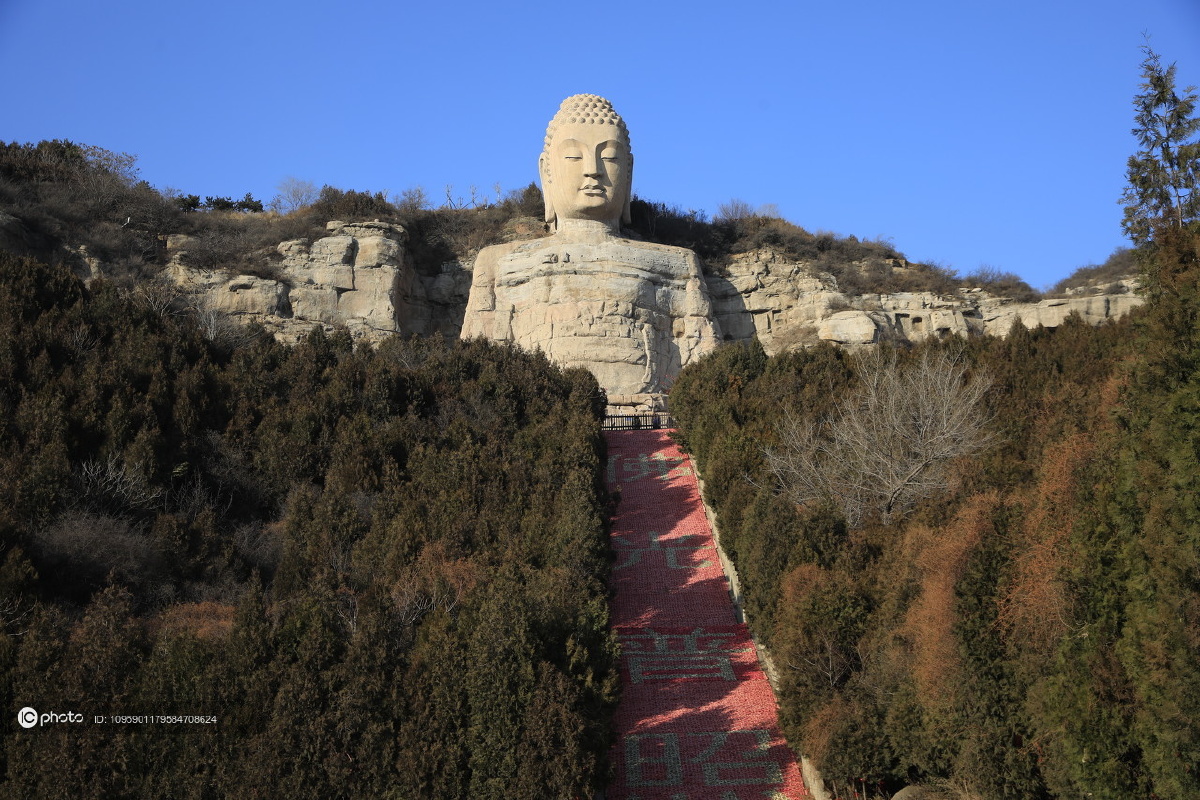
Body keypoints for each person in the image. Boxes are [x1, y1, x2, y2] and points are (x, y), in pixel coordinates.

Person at [462, 95, 720, 406]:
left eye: (609, 157)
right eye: (573, 157)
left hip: (656, 422)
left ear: (629, 171)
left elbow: (704, 372)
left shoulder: (676, 264)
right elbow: (477, 371)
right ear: (547, 171)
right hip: (542, 423)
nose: (593, 171)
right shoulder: (500, 263)